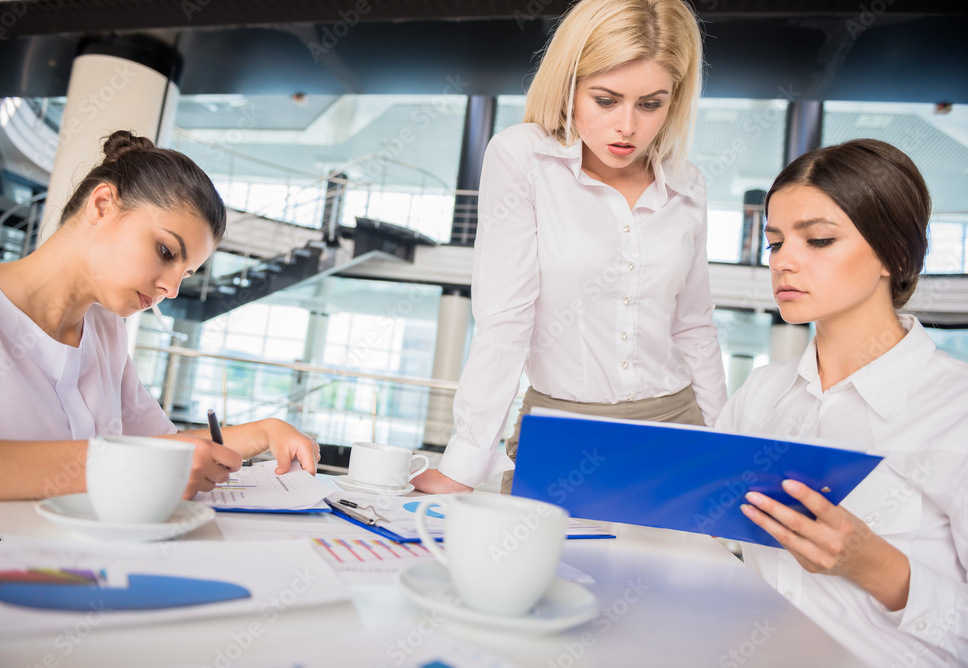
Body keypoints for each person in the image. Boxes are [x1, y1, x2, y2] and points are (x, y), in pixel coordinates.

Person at [414, 0, 726, 494]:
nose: (628, 126)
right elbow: (505, 320)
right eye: (606, 100)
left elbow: (693, 326)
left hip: (677, 426)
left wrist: (720, 446)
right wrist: (464, 463)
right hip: (562, 432)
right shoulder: (522, 157)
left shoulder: (687, 183)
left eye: (651, 103)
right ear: (570, 86)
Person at [717, 139, 967, 666]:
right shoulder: (760, 397)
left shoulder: (956, 410)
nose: (785, 262)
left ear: (895, 254)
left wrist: (876, 566)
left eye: (820, 240)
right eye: (775, 243)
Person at [0, 130, 319, 502]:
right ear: (102, 205)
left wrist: (265, 432)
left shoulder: (105, 330)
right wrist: (118, 468)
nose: (172, 290)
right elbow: (137, 461)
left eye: (185, 274)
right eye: (167, 252)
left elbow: (158, 447)